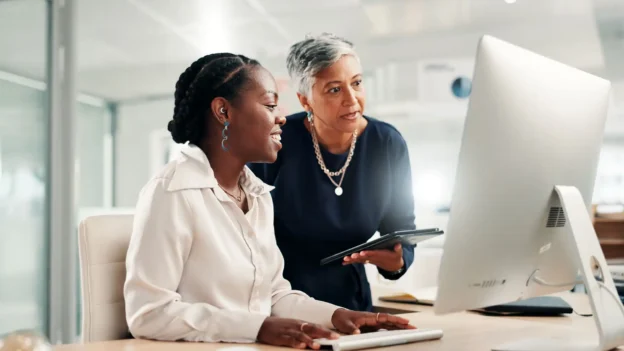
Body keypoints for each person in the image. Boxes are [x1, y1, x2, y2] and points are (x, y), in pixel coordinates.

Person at [123, 53, 414, 348]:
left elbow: (274, 295)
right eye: (270, 105)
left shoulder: (258, 194)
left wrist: (338, 315)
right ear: (223, 111)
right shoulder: (172, 192)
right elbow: (148, 314)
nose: (281, 118)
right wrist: (258, 328)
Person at [248, 33, 417, 312]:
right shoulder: (276, 141)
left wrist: (397, 261)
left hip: (352, 304)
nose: (352, 100)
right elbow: (244, 233)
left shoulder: (386, 143)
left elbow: (402, 229)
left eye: (357, 83)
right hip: (281, 302)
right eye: (334, 89)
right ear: (305, 100)